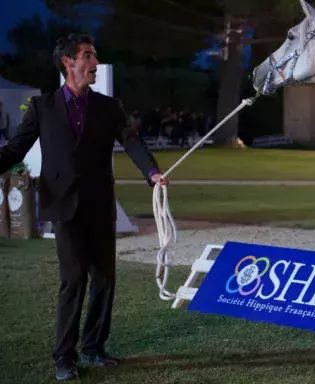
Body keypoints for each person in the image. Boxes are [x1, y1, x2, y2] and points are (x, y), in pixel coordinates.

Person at [0, 33, 169, 381]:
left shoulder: (110, 107)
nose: (94, 63)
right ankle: (64, 356)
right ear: (68, 63)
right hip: (63, 206)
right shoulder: (41, 107)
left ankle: (93, 348)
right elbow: (16, 149)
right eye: (88, 56)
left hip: (99, 205)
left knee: (105, 279)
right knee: (73, 280)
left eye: (94, 56)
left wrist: (152, 172)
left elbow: (132, 142)